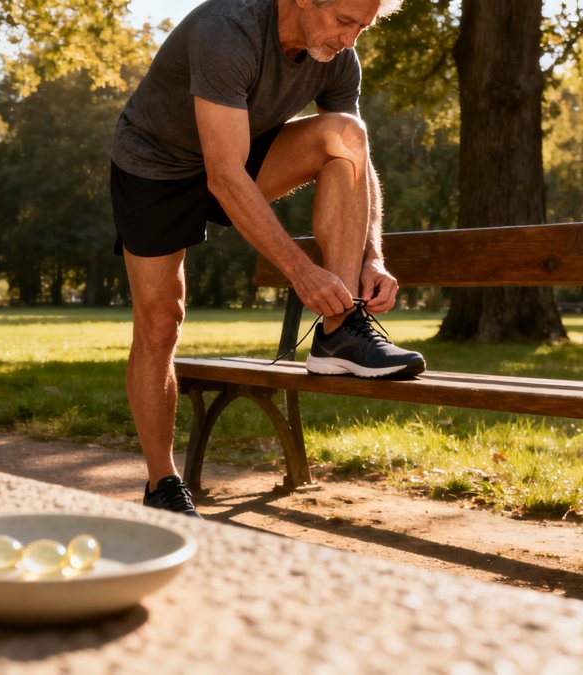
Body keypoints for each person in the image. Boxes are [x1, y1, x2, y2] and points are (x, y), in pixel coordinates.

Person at [110, 0, 425, 517]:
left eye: (362, 28)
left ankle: (338, 331)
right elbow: (224, 178)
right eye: (345, 21)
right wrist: (302, 272)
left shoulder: (338, 58)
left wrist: (373, 255)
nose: (351, 39)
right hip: (155, 166)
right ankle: (161, 482)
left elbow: (356, 162)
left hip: (240, 148)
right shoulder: (227, 31)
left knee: (347, 134)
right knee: (160, 323)